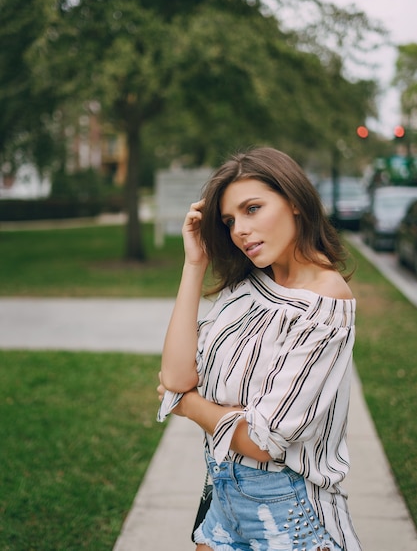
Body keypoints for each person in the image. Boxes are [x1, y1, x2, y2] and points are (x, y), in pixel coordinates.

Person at [157, 147, 362, 551]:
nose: (239, 231)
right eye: (230, 221)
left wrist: (190, 406)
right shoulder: (248, 285)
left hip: (292, 517)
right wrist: (194, 263)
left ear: (295, 202)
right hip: (221, 503)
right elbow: (177, 377)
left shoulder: (324, 307)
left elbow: (262, 443)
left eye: (253, 209)